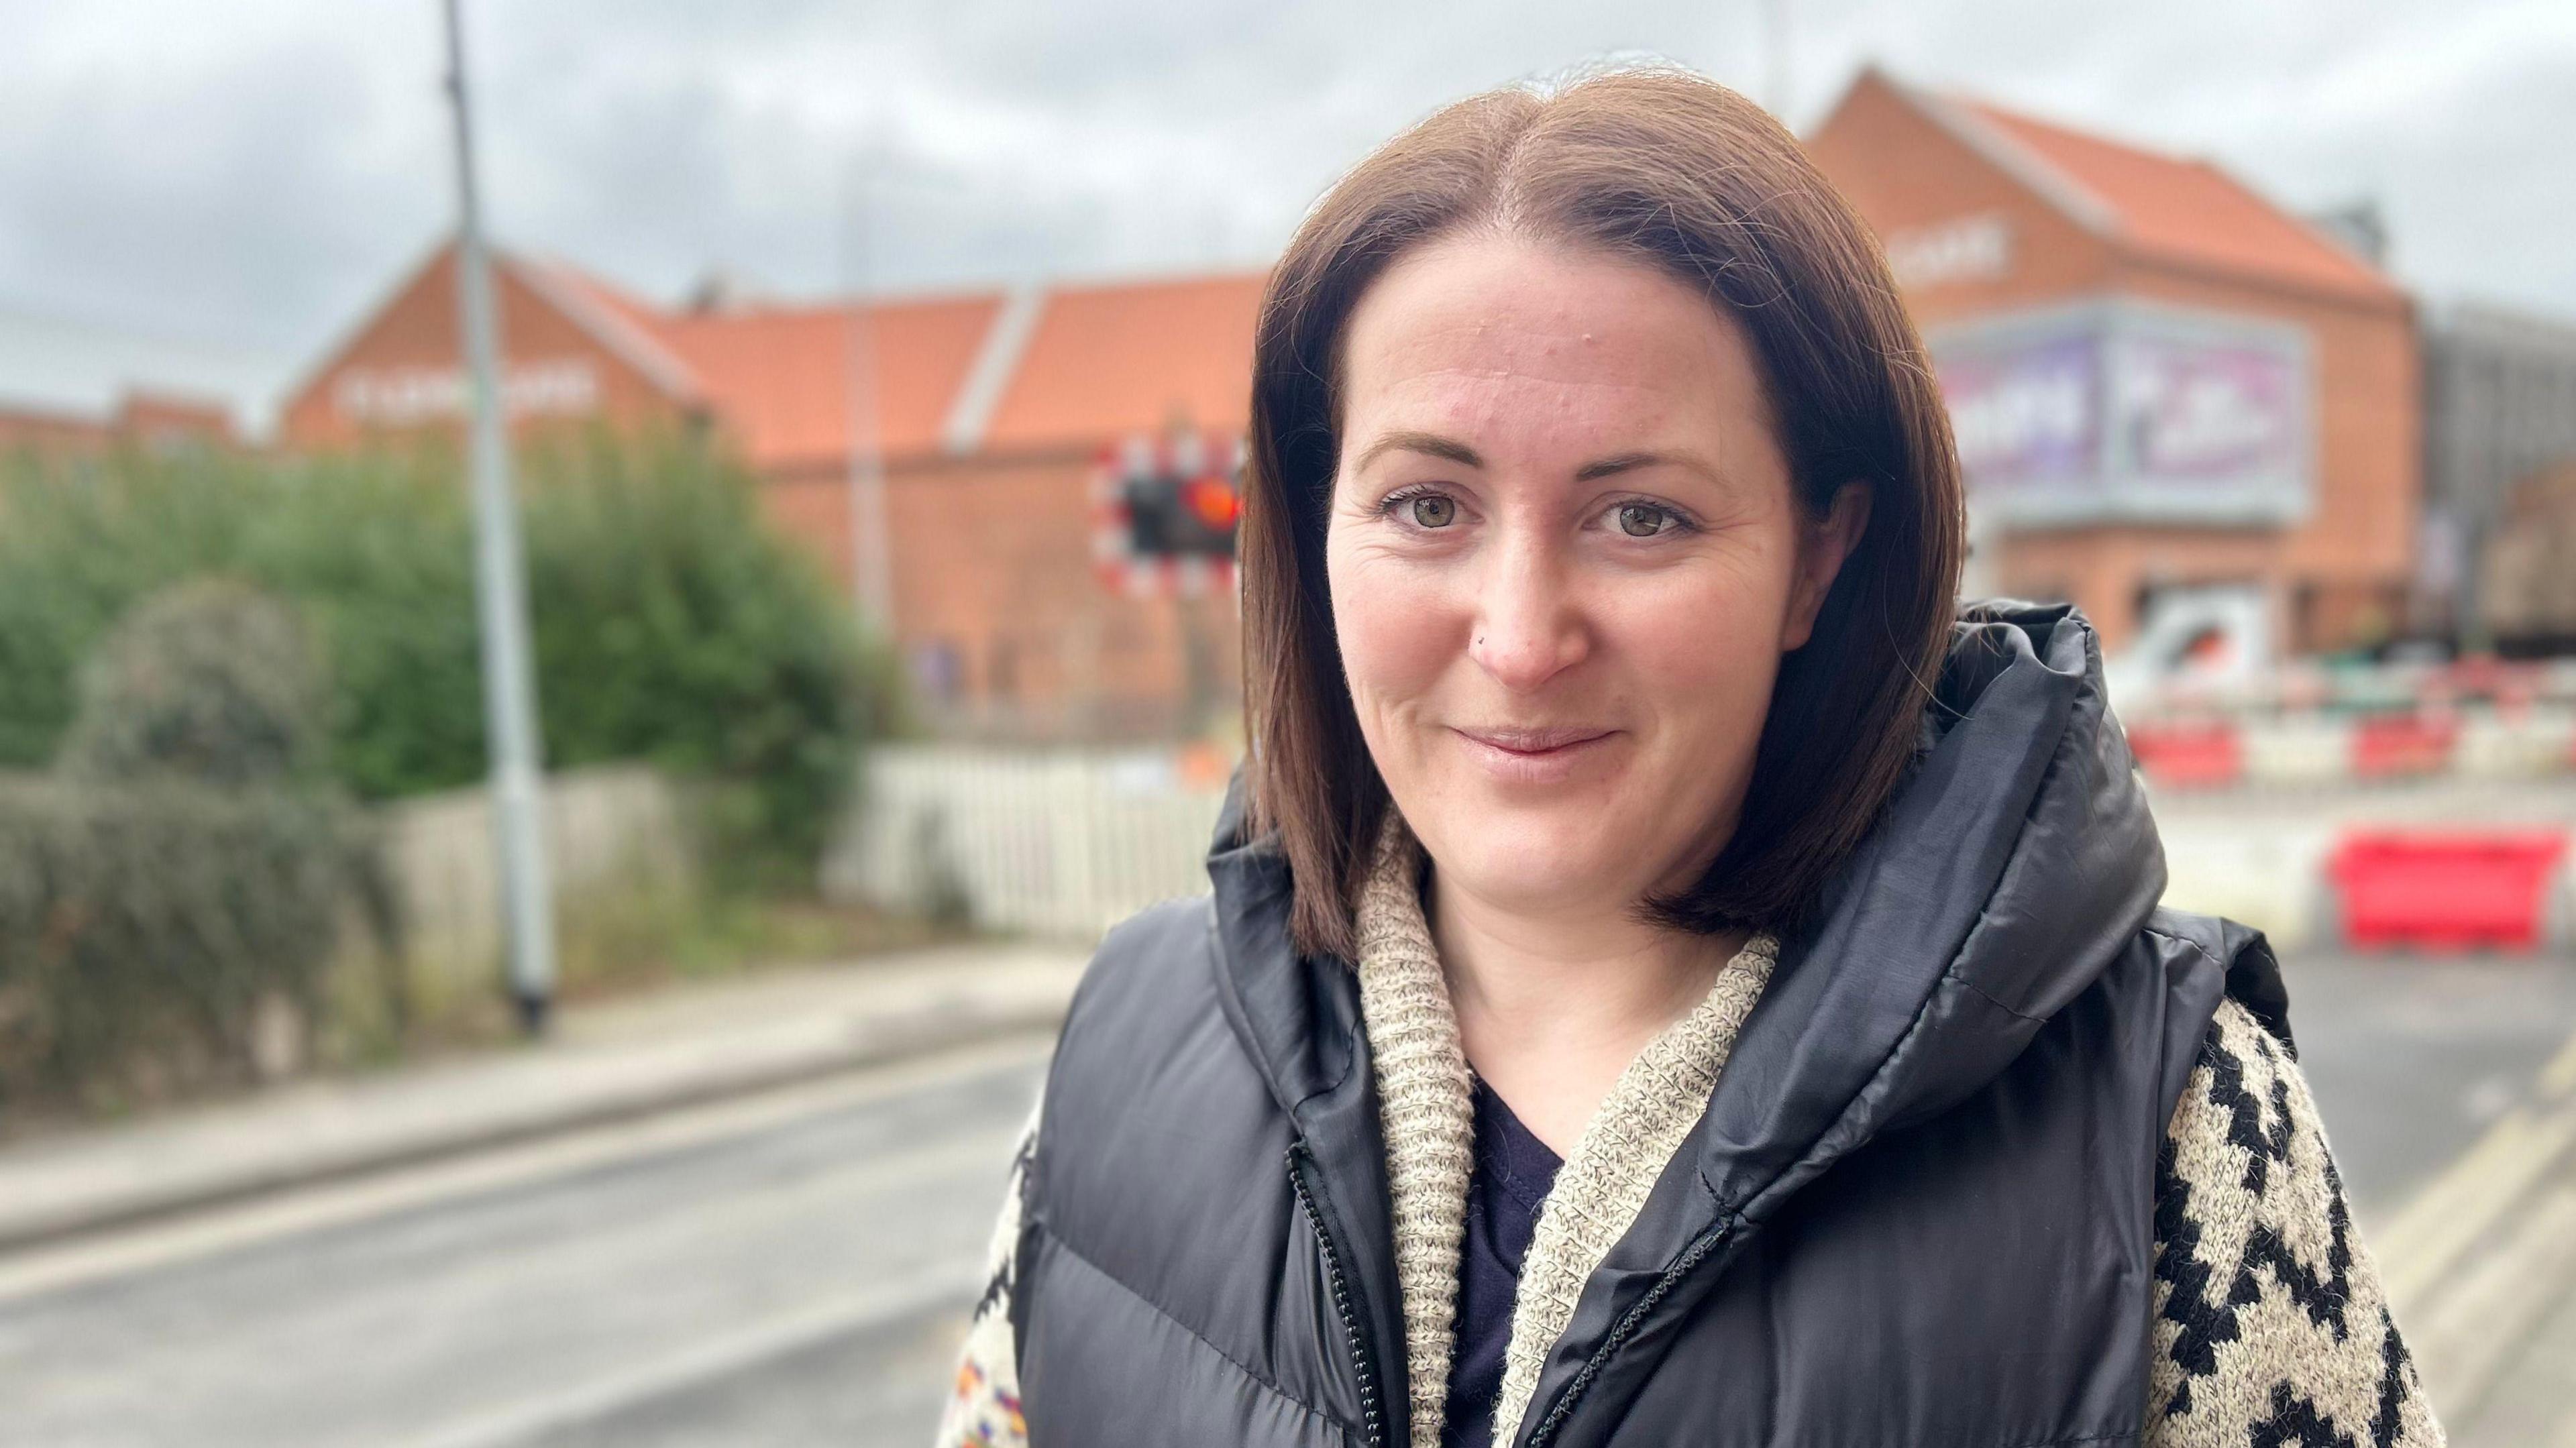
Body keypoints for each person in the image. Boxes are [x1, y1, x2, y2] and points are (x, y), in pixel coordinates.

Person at [934, 66, 2443, 1448]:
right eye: (1426, 507)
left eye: (1641, 515)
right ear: (1317, 528)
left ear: (1817, 557)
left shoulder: (2166, 1116)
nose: (1521, 638)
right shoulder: (1120, 1061)